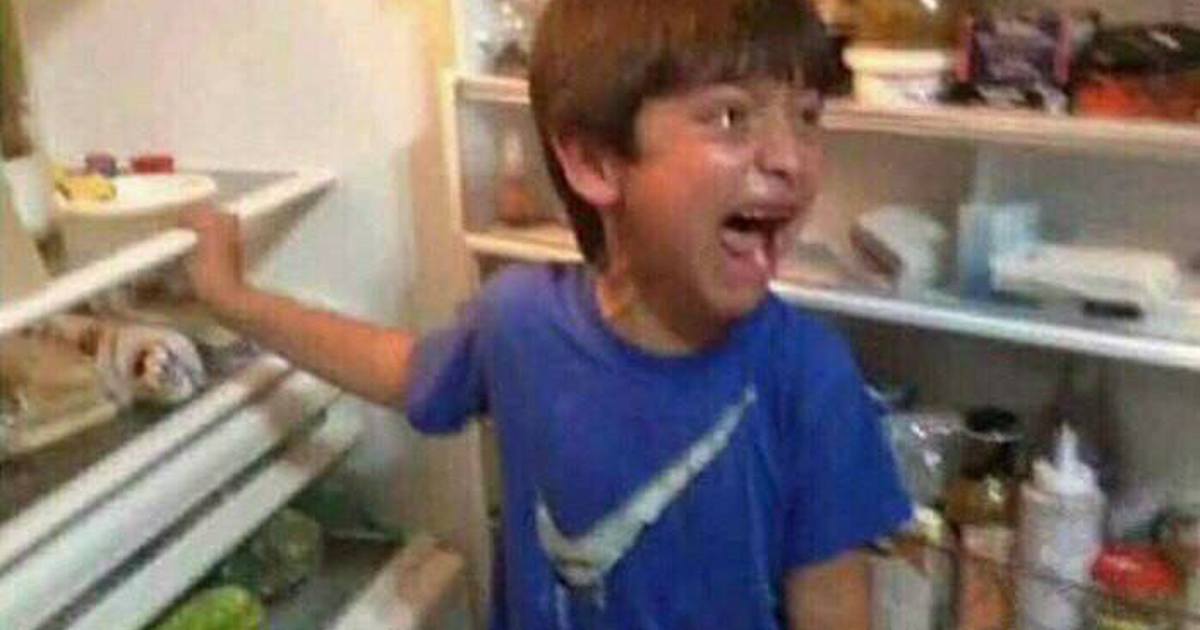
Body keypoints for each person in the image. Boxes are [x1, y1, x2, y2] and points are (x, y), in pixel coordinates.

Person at [183, 0, 912, 627]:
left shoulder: (810, 377)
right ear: (595, 163)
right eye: (731, 116)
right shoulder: (518, 322)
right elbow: (396, 367)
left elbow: (834, 609)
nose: (791, 158)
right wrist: (234, 299)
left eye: (808, 117)